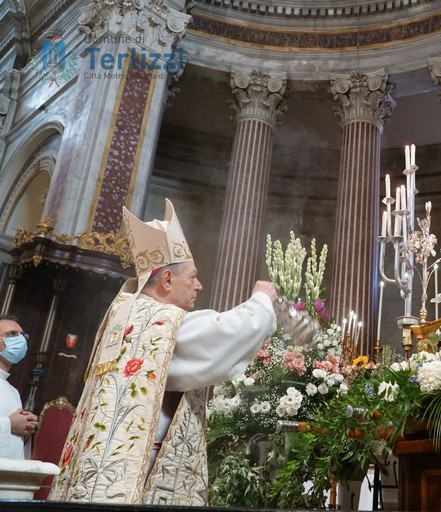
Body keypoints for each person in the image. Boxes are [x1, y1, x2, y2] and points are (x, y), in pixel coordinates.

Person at [49, 199, 277, 505]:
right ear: (167, 279)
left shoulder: (124, 311)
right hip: (133, 478)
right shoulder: (157, 322)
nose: (199, 285)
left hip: (100, 470)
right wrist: (261, 301)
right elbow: (224, 334)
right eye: (192, 276)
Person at [0, 315, 39, 459]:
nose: (21, 339)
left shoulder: (13, 391)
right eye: (11, 334)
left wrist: (25, 428)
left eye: (23, 336)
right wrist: (9, 424)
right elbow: (10, 425)